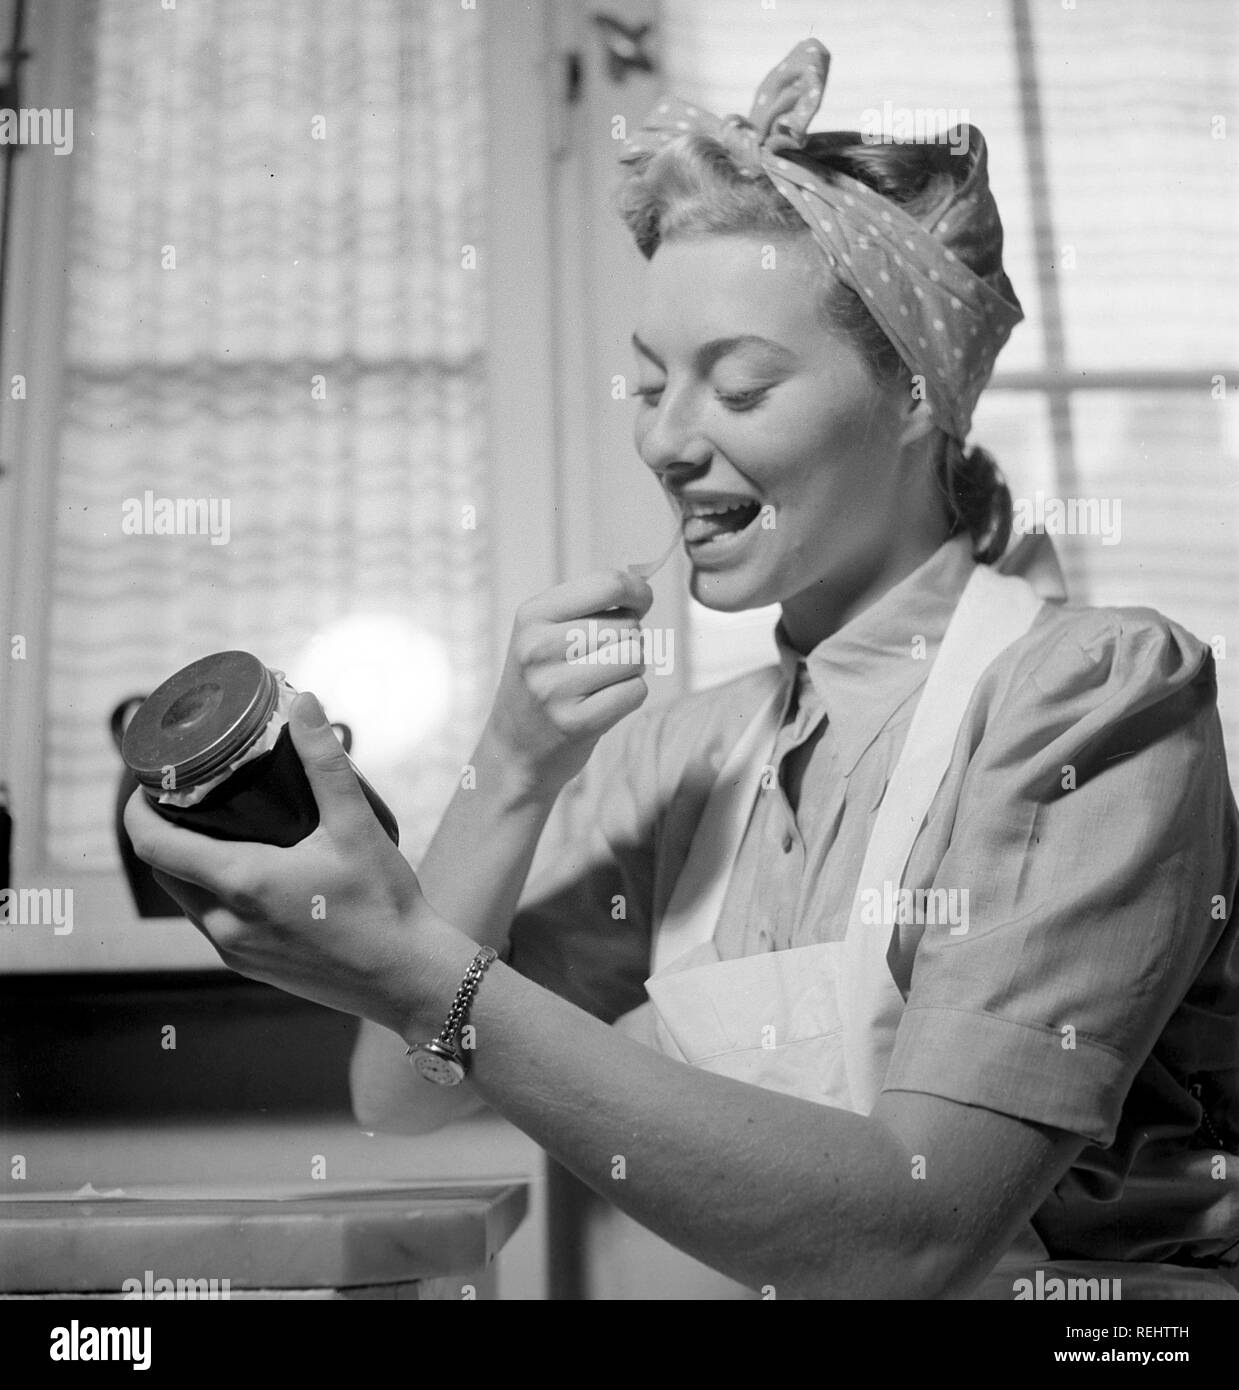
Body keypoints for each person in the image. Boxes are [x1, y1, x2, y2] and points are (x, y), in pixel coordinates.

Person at [127, 39, 1239, 1299]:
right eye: (651, 384)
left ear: (918, 394)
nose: (665, 438)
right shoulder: (682, 758)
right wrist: (510, 771)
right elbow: (401, 1093)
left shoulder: (1095, 697)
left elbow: (913, 1238)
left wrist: (411, 961)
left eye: (740, 385)